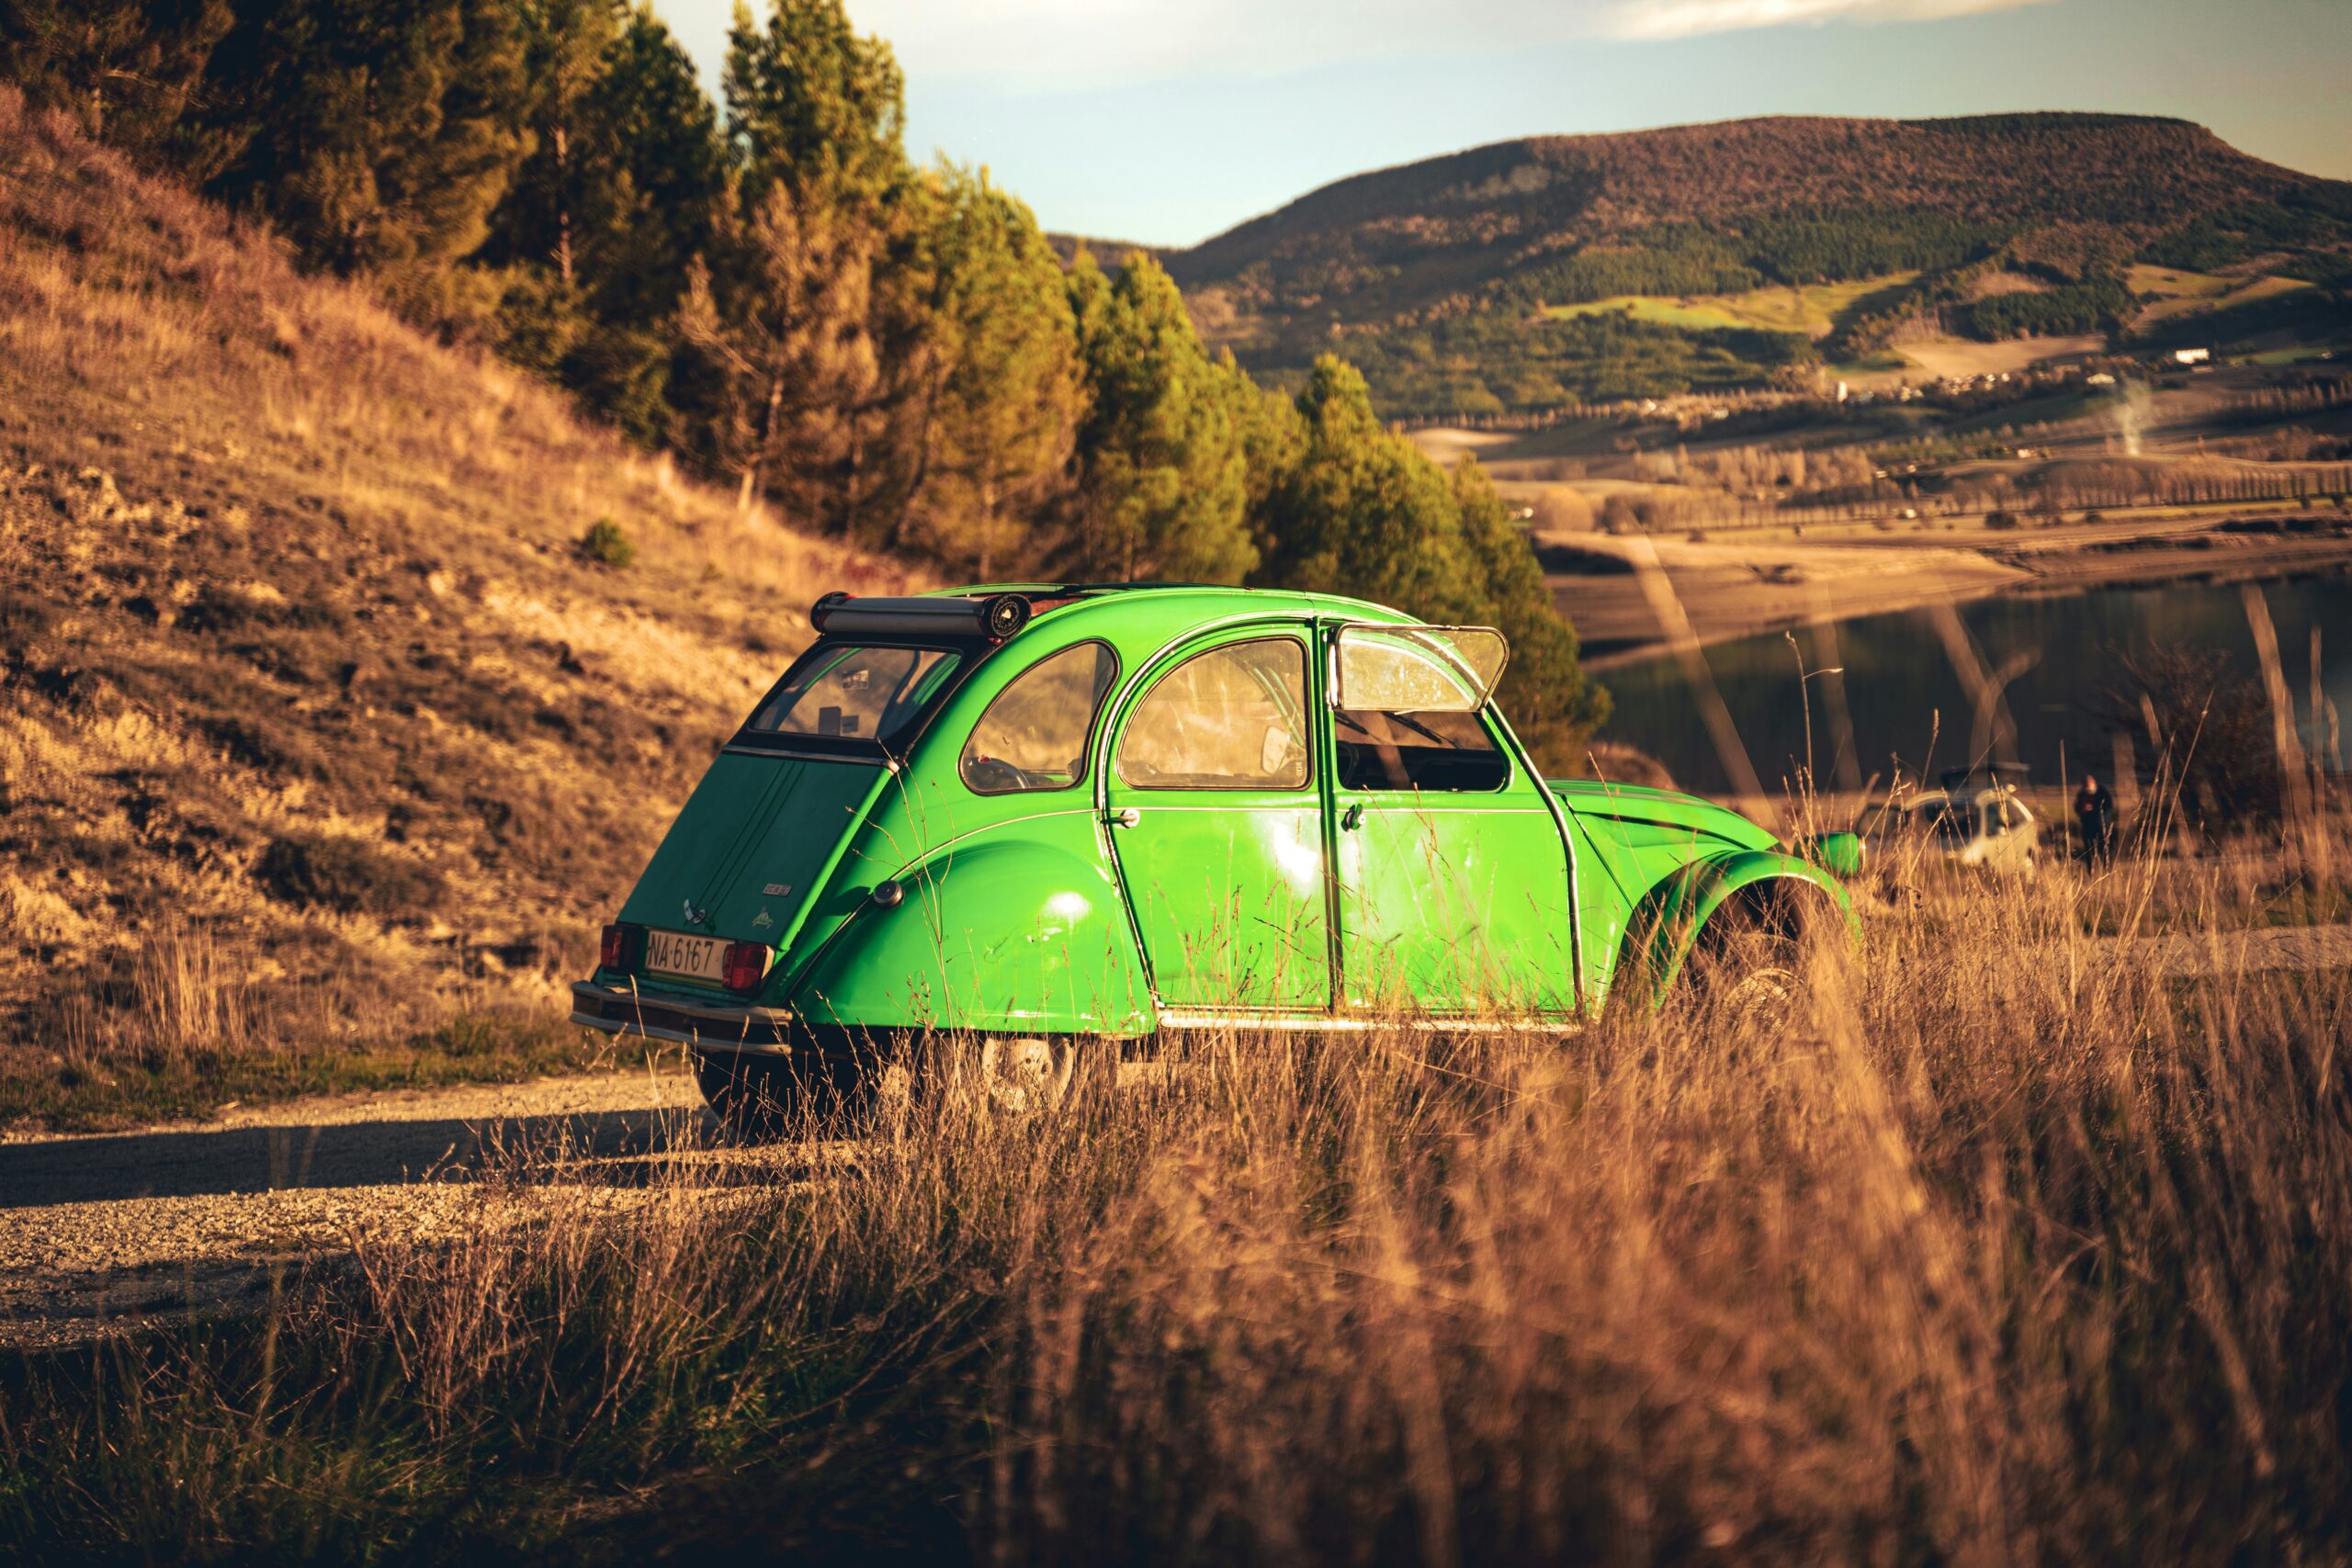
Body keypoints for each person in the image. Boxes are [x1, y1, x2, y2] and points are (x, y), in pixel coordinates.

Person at [2074, 773, 2118, 863]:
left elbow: (2108, 808)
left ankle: (2106, 871)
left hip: (2102, 827)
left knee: (2105, 851)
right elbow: (2077, 807)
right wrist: (2083, 809)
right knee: (2089, 852)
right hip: (2087, 828)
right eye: (2085, 783)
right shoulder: (2082, 794)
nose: (2087, 785)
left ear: (2093, 782)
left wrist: (2095, 810)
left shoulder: (2103, 793)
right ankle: (2091, 873)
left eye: (2089, 782)